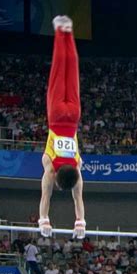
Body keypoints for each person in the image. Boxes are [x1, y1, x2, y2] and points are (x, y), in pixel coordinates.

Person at [39, 15, 85, 240]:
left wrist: (81, 222)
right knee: (59, 70)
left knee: (72, 71)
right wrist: (43, 220)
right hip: (56, 116)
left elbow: (79, 200)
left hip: (74, 116)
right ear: (57, 176)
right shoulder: (50, 167)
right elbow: (45, 197)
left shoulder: (77, 167)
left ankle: (69, 31)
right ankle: (60, 30)